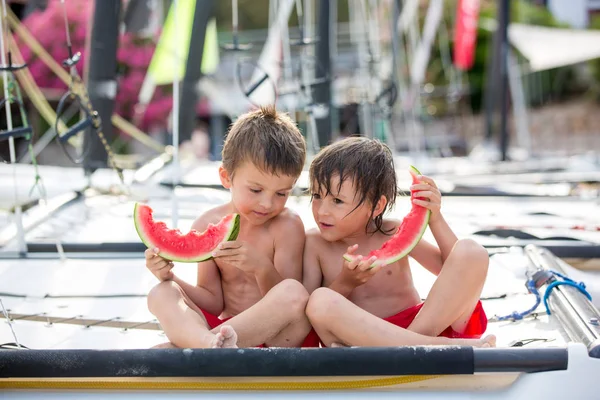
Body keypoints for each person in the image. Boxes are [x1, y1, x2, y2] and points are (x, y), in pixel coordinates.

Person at [146, 105, 313, 348]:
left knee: (293, 291)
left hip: (277, 336)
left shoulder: (287, 226)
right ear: (226, 177)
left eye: (281, 193)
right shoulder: (206, 224)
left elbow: (289, 305)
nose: (267, 203)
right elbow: (213, 302)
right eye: (255, 190)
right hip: (224, 331)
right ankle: (209, 345)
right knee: (161, 293)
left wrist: (261, 268)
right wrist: (168, 276)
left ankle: (198, 347)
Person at [303, 137, 495, 348]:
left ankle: (417, 346)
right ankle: (428, 347)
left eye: (337, 201)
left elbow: (453, 270)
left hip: (421, 327)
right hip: (361, 338)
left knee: (472, 251)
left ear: (376, 206)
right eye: (317, 195)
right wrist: (346, 283)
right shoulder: (314, 243)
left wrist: (435, 217)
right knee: (319, 300)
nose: (322, 211)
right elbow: (308, 318)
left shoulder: (392, 231)